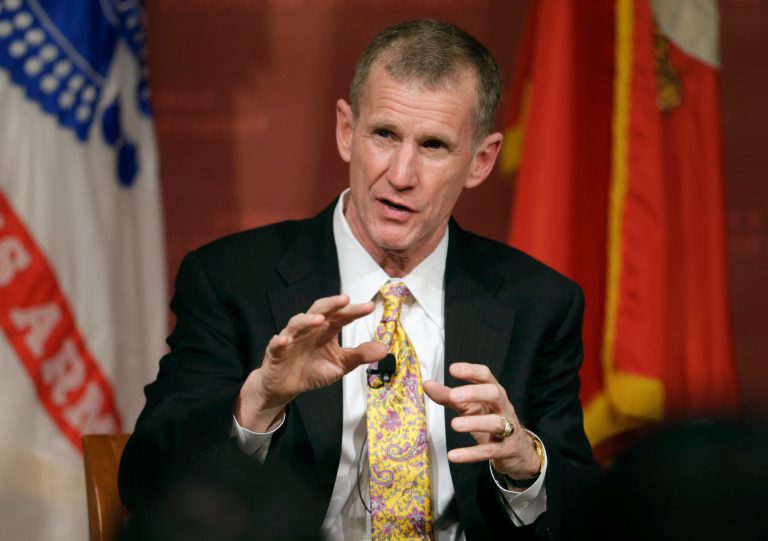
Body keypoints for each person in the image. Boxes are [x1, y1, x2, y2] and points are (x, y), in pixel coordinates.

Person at [119, 19, 598, 540]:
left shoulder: (538, 304)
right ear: (347, 131)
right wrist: (258, 402)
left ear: (480, 161)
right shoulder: (232, 280)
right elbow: (148, 486)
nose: (401, 175)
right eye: (384, 135)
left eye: (434, 145)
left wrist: (526, 467)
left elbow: (587, 519)